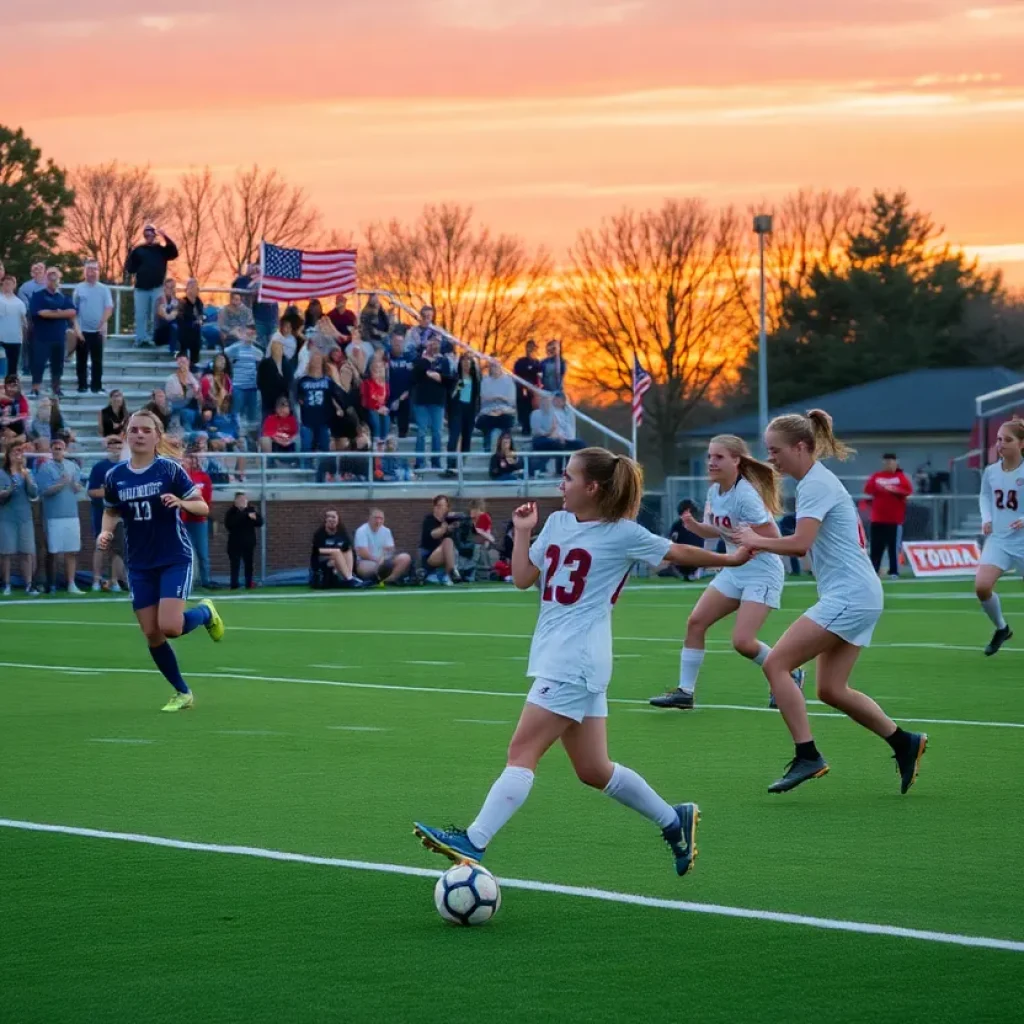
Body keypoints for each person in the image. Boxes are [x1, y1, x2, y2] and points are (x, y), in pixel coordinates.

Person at [412, 447, 751, 872]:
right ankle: (673, 819)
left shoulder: (622, 533)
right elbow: (521, 579)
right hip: (566, 658)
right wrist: (521, 531)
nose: (561, 484)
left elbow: (677, 552)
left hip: (575, 660)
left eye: (569, 477)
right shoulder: (555, 523)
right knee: (593, 769)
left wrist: (730, 558)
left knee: (522, 752)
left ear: (592, 487)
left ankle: (475, 840)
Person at [731, 410, 927, 794]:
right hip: (859, 593)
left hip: (851, 594)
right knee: (831, 690)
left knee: (776, 664)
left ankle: (808, 755)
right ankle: (904, 742)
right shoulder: (815, 482)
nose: (772, 458)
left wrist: (755, 540)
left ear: (802, 446)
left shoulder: (815, 485)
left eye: (776, 450)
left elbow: (800, 543)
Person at [649, 436, 805, 711]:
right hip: (735, 568)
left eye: (719, 457)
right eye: (710, 456)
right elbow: (718, 529)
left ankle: (790, 673)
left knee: (743, 642)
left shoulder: (745, 494)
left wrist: (749, 539)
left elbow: (773, 535)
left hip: (762, 572)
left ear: (736, 460)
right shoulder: (715, 492)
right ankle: (685, 692)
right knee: (696, 622)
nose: (711, 462)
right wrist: (695, 526)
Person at [98, 410, 224, 712]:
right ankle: (182, 692)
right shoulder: (115, 476)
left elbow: (203, 507)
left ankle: (205, 613)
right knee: (151, 633)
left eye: (145, 430)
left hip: (173, 557)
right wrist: (105, 532)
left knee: (170, 627)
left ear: (157, 436)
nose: (139, 435)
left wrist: (182, 503)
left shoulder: (169, 470)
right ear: (127, 435)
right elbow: (112, 510)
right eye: (134, 430)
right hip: (140, 563)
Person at [974, 419, 1024, 656]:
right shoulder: (991, 471)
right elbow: (984, 496)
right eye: (998, 439)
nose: (1000, 444)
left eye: (1007, 440)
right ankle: (1002, 628)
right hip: (1000, 539)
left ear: (1021, 444)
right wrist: (986, 518)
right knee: (982, 587)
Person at [34, 433, 84, 593]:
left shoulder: (72, 466)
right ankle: (52, 584)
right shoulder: (45, 467)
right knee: (53, 551)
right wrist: (61, 483)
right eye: (55, 449)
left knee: (72, 550)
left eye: (60, 449)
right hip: (54, 516)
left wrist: (73, 484)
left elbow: (77, 487)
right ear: (51, 450)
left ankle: (71, 584)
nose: (58, 451)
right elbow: (44, 491)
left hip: (72, 514)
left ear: (65, 450)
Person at [126, 225, 178, 347]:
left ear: (155, 235)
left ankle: (152, 338)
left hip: (157, 288)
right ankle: (140, 339)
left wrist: (165, 236)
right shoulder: (138, 250)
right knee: (140, 315)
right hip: (141, 289)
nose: (149, 237)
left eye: (151, 234)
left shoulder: (161, 250)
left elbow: (174, 252)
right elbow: (130, 268)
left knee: (155, 314)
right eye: (146, 234)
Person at [28, 268, 78, 397]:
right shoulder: (38, 295)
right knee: (38, 363)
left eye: (55, 277)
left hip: (59, 337)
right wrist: (60, 313)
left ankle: (56, 388)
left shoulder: (64, 296)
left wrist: (53, 313)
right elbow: (39, 313)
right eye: (50, 277)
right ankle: (35, 389)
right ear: (45, 279)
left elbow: (72, 312)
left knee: (58, 365)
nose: (53, 279)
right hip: (41, 337)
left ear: (59, 279)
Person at [864, 453, 913, 580]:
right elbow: (868, 490)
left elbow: (908, 491)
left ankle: (894, 572)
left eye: (891, 462)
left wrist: (893, 490)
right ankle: (874, 571)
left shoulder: (901, 477)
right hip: (877, 518)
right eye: (886, 462)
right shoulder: (876, 476)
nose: (888, 464)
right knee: (876, 547)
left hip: (894, 519)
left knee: (893, 547)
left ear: (896, 462)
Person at [0, 442, 40, 596]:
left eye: (20, 453)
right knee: (6, 552)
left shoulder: (27, 472)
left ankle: (29, 584)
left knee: (27, 551)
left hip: (25, 517)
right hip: (7, 517)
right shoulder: (2, 473)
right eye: (15, 452)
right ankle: (7, 584)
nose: (18, 455)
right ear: (8, 455)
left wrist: (27, 477)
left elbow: (33, 493)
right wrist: (8, 490)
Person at [87, 435, 126, 591]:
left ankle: (114, 581)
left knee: (118, 548)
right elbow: (91, 492)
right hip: (102, 513)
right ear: (108, 448)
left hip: (121, 514)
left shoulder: (127, 467)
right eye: (113, 446)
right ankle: (96, 580)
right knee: (101, 546)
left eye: (119, 446)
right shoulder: (99, 467)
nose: (116, 449)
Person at [72, 261, 114, 394]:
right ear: (85, 271)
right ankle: (82, 385)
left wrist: (102, 323)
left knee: (97, 361)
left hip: (98, 331)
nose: (92, 272)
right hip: (82, 331)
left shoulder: (104, 289)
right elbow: (73, 310)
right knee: (81, 360)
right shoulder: (79, 288)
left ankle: (96, 386)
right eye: (90, 269)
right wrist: (77, 329)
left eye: (95, 269)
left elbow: (109, 308)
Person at [412, 336, 453, 469]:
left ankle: (436, 462)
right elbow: (417, 375)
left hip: (438, 401)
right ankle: (419, 462)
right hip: (421, 401)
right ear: (427, 344)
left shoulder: (444, 361)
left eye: (436, 342)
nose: (433, 345)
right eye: (431, 342)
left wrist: (438, 376)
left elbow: (449, 381)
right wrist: (427, 363)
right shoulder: (419, 360)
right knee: (421, 432)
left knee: (437, 432)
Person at [354, 507, 412, 585]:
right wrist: (378, 560)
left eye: (381, 518)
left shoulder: (386, 531)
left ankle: (390, 579)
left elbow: (390, 550)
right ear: (369, 518)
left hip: (384, 560)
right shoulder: (361, 531)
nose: (378, 521)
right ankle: (377, 579)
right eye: (376, 518)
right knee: (375, 566)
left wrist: (384, 557)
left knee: (405, 557)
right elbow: (363, 553)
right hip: (366, 562)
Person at [309, 509, 364, 588]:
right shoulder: (319, 533)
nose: (331, 519)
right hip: (321, 561)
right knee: (336, 553)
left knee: (348, 550)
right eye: (328, 517)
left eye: (333, 517)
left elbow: (347, 549)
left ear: (338, 520)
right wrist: (334, 552)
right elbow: (316, 551)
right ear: (325, 520)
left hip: (336, 562)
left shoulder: (342, 533)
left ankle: (349, 576)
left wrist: (339, 555)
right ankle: (350, 579)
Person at [446, 352, 479, 474]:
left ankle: (461, 464)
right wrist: (458, 386)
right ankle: (451, 464)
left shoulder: (475, 379)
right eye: (464, 361)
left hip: (469, 411)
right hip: (457, 410)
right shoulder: (455, 377)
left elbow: (477, 397)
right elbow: (451, 395)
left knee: (467, 438)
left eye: (469, 361)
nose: (466, 364)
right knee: (453, 437)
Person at [224, 491, 262, 590]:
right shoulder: (231, 512)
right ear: (235, 501)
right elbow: (229, 524)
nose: (243, 501)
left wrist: (253, 517)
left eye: (244, 499)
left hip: (248, 543)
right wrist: (245, 514)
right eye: (240, 499)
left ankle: (249, 584)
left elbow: (260, 522)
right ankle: (234, 585)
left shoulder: (251, 510)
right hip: (234, 543)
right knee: (235, 565)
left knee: (249, 564)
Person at [420, 494, 460, 585]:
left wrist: (453, 527)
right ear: (435, 507)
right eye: (440, 506)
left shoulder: (448, 522)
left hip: (446, 556)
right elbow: (434, 534)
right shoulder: (429, 520)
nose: (443, 509)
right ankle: (451, 574)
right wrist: (445, 526)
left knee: (450, 543)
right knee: (447, 541)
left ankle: (448, 574)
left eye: (445, 506)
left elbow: (455, 544)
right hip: (430, 557)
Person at [476, 361, 517, 451]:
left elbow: (511, 401)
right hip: (488, 410)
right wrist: (496, 398)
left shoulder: (509, 381)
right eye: (493, 366)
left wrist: (500, 398)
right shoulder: (485, 381)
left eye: (497, 366)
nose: (495, 368)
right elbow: (483, 398)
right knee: (486, 421)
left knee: (506, 421)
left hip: (505, 410)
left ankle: (507, 447)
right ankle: (487, 446)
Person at [257, 337, 293, 421]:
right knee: (267, 422)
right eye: (275, 347)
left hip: (283, 399)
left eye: (279, 347)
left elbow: (289, 382)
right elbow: (259, 382)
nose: (277, 350)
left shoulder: (286, 364)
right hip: (268, 400)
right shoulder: (264, 363)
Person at [0, 274, 29, 379]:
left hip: (14, 339)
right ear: (2, 284)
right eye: (6, 283)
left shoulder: (20, 303)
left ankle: (10, 391)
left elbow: (24, 320)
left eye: (11, 283)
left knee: (12, 370)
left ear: (14, 285)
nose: (8, 285)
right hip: (1, 338)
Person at [386, 331, 414, 438]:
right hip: (388, 396)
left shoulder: (409, 358)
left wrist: (401, 398)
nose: (398, 345)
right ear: (391, 343)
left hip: (404, 397)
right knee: (388, 430)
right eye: (396, 343)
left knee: (403, 429)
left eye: (401, 343)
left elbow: (413, 381)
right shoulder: (386, 356)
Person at [512, 340, 543, 436]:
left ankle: (531, 429)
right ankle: (524, 428)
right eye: (529, 347)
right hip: (521, 392)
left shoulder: (538, 363)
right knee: (523, 411)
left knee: (532, 412)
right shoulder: (520, 362)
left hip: (533, 394)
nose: (531, 350)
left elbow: (539, 379)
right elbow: (515, 376)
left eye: (533, 348)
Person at [178, 279, 205, 370]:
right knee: (188, 332)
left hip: (196, 327)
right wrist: (194, 321)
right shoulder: (182, 302)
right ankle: (184, 362)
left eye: (196, 287)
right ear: (187, 289)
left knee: (198, 330)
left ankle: (194, 362)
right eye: (192, 287)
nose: (195, 290)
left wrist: (200, 320)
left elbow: (201, 315)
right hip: (185, 327)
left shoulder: (199, 302)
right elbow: (181, 317)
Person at [360, 358, 389, 440]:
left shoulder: (385, 385)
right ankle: (376, 442)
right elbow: (366, 401)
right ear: (370, 372)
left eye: (381, 371)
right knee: (375, 420)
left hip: (381, 409)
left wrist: (384, 408)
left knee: (386, 418)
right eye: (376, 371)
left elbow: (387, 399)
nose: (379, 373)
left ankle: (383, 442)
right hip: (369, 409)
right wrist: (377, 409)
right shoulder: (366, 383)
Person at [154, 278, 180, 356]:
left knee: (176, 325)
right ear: (164, 288)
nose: (171, 290)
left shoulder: (177, 301)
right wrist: (171, 311)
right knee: (174, 325)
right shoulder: (159, 300)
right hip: (161, 335)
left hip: (173, 333)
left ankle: (177, 352)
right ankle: (176, 353)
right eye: (168, 287)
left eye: (173, 287)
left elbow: (174, 314)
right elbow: (165, 316)